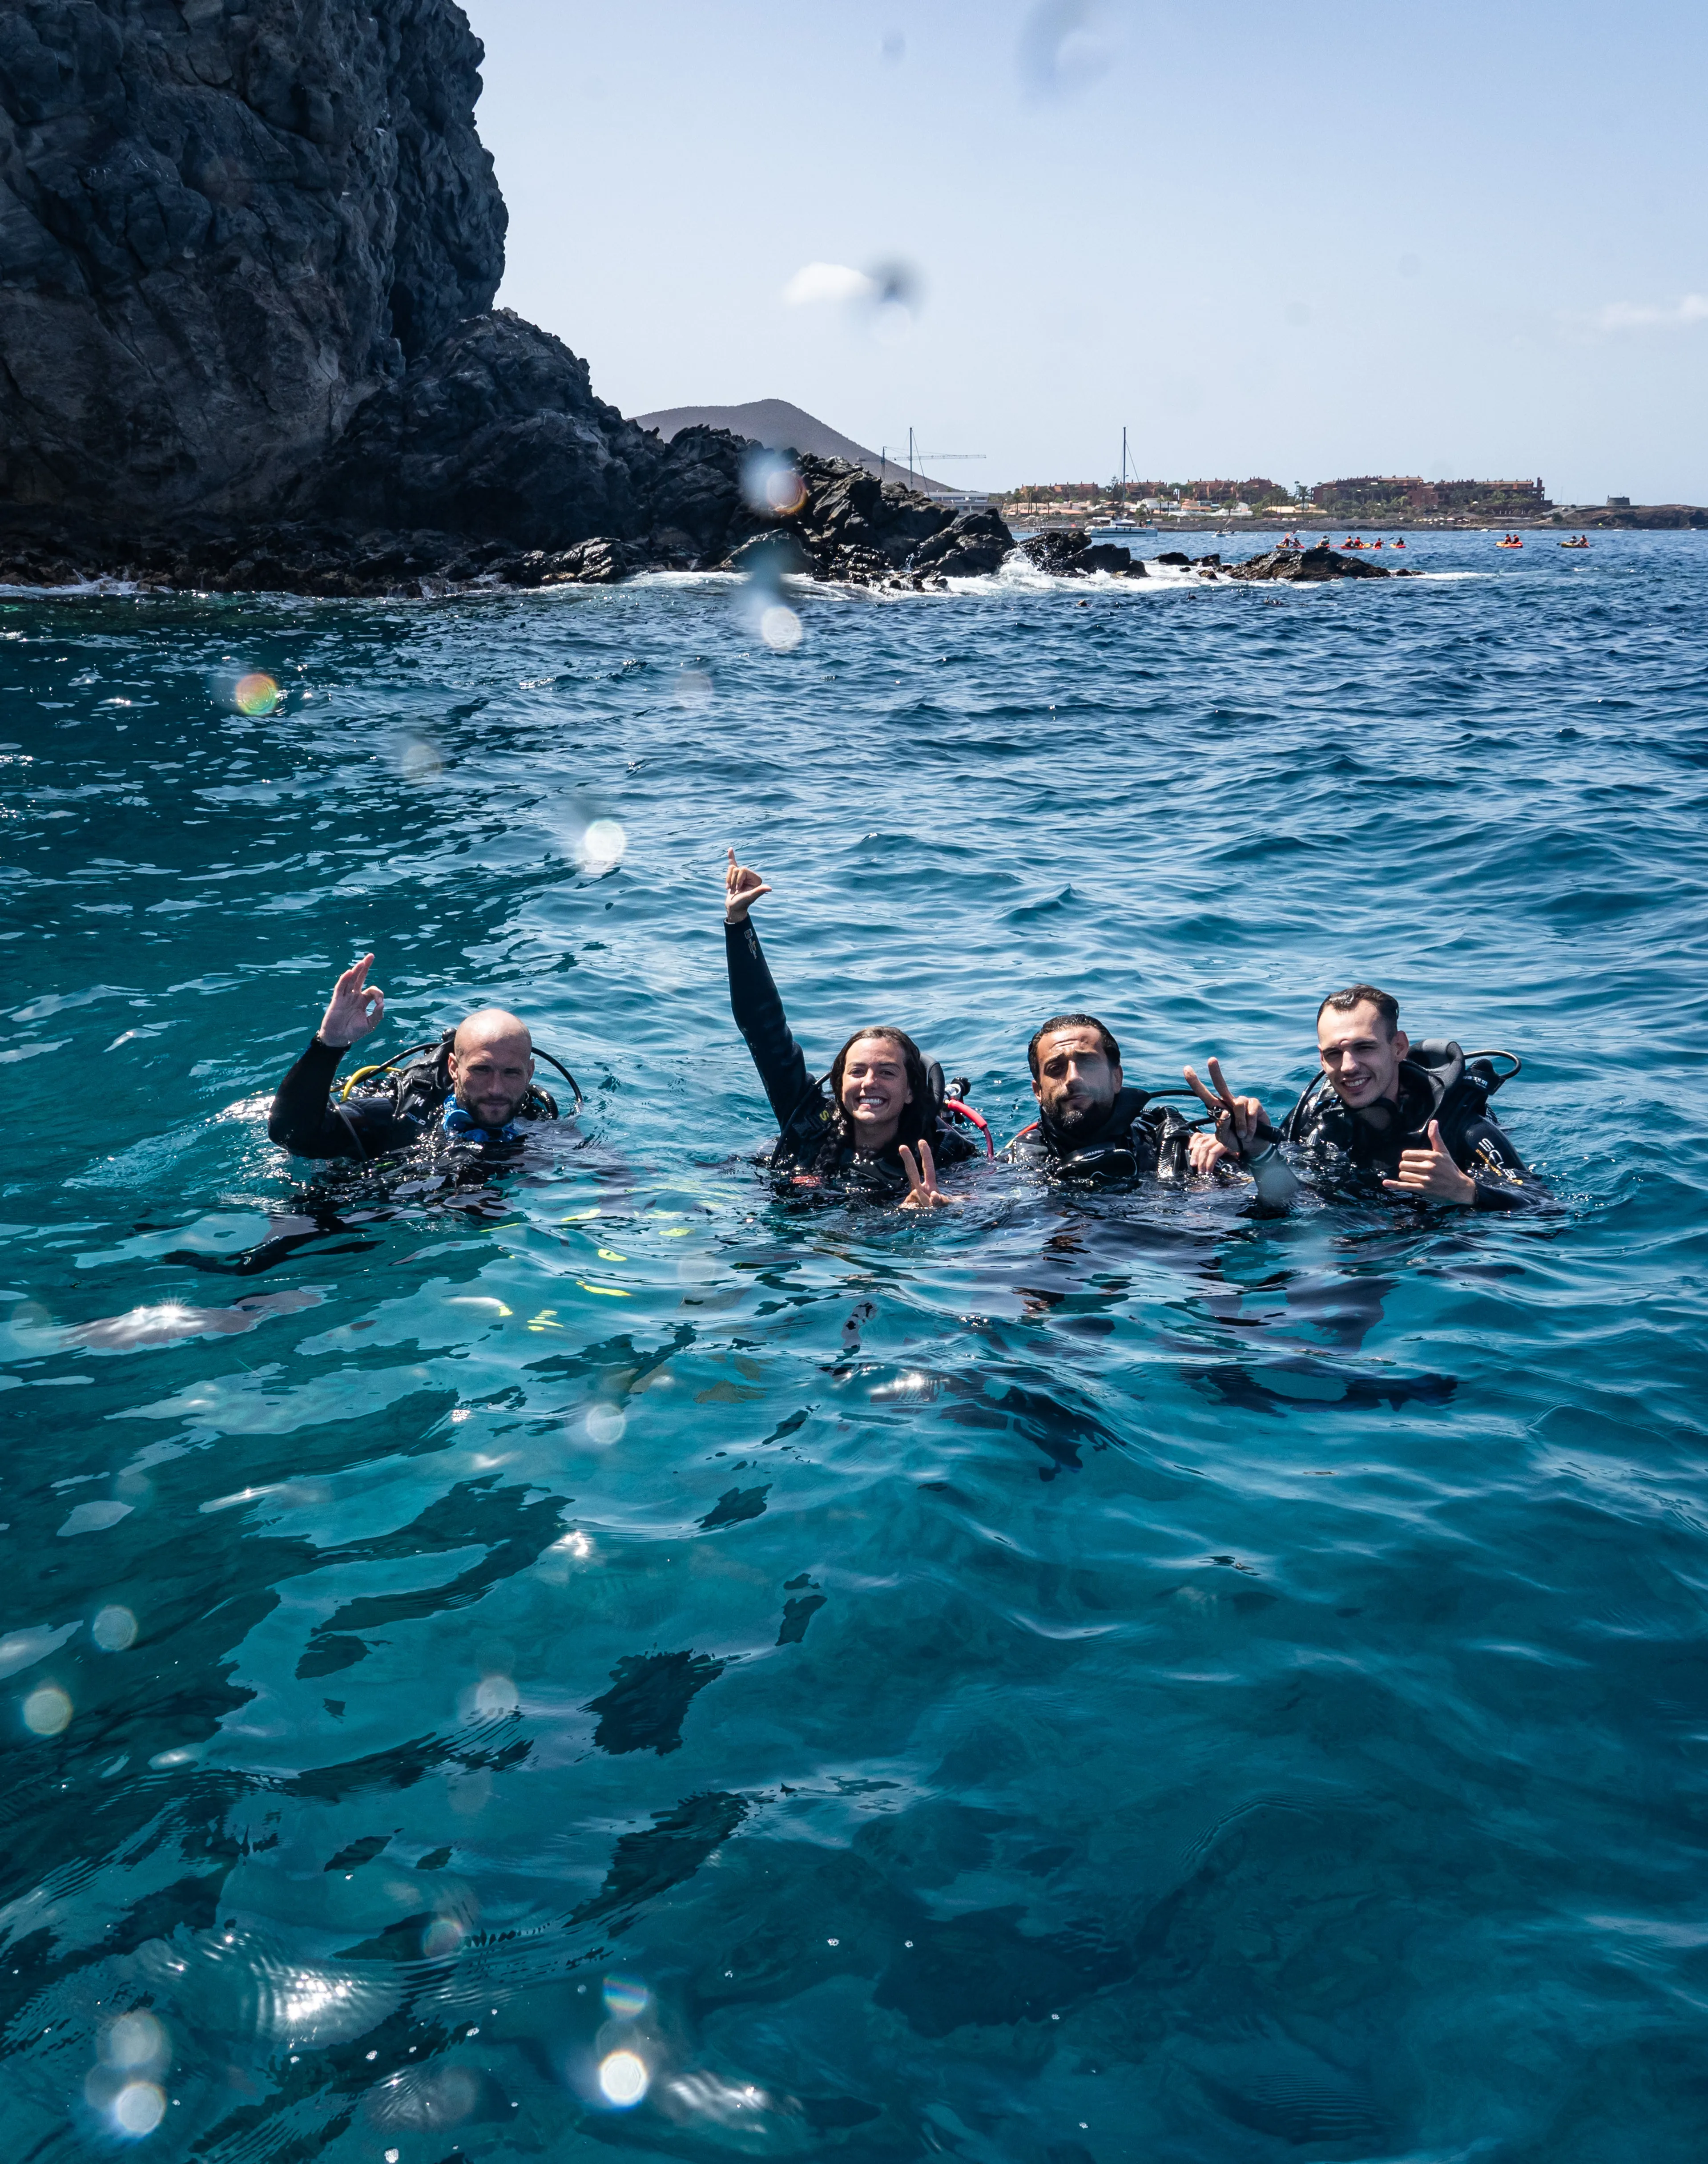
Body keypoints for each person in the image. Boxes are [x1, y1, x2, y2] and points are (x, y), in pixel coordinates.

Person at [722, 850, 978, 1207]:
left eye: (887, 1072)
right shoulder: (810, 1122)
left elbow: (993, 1204)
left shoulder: (944, 1150)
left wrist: (945, 1212)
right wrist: (739, 923)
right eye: (857, 1072)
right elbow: (763, 1028)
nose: (869, 1083)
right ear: (839, 1084)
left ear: (909, 1091)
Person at [1185, 984, 1544, 1211]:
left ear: (1398, 1047)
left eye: (1365, 1048)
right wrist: (1250, 1149)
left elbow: (1546, 1210)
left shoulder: (1466, 1131)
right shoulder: (1317, 1116)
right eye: (1334, 1054)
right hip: (1353, 1228)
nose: (1348, 1067)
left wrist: (1467, 1191)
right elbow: (1286, 1197)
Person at [268, 953, 563, 1159]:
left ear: (530, 1073)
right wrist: (329, 1045)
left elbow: (603, 1171)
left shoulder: (537, 1122)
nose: (496, 1089)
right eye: (482, 1070)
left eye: (511, 1073)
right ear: (454, 1067)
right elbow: (291, 1135)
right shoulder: (403, 1113)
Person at [1007, 1013, 1195, 1181]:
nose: (1073, 1078)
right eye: (1056, 1068)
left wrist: (1225, 1144)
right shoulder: (1014, 1165)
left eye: (1087, 1063)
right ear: (1038, 1091)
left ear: (1116, 1078)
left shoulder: (1171, 1144)